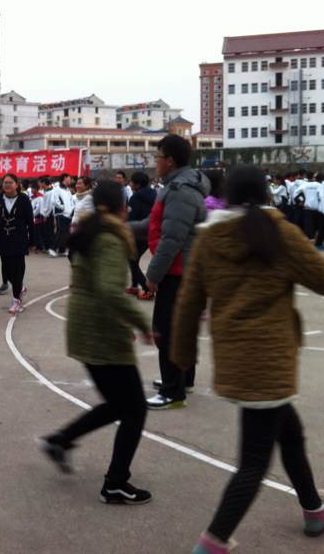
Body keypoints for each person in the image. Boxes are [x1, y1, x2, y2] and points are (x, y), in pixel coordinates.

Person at [171, 166, 324, 554]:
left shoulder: (209, 238)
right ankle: (212, 543)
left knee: (290, 434)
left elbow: (189, 302)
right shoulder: (278, 232)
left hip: (235, 360)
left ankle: (315, 510)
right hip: (269, 363)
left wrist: (181, 357)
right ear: (266, 193)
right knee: (253, 463)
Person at [38, 181, 153, 505]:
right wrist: (141, 322)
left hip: (87, 328)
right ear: (121, 207)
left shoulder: (89, 232)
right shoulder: (111, 238)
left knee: (117, 404)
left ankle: (61, 440)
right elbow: (109, 291)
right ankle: (115, 482)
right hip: (101, 333)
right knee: (134, 409)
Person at [131, 134, 209, 410]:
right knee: (181, 329)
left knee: (166, 331)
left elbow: (172, 239)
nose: (155, 162)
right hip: (182, 269)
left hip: (178, 272)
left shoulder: (180, 190)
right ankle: (182, 381)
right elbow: (154, 224)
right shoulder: (175, 187)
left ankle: (172, 392)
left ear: (170, 161)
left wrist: (152, 277)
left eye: (158, 157)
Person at [0, 173, 34, 314]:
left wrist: (32, 241)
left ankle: (16, 300)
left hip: (19, 239)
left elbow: (30, 221)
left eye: (10, 182)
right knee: (7, 271)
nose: (7, 185)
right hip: (3, 239)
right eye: (5, 182)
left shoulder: (23, 199)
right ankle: (20, 288)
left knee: (18, 269)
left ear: (16, 184)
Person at [126, 172, 157, 300]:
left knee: (132, 261)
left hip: (137, 232)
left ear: (137, 185)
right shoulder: (155, 194)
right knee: (135, 259)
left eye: (132, 182)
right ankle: (134, 286)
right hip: (150, 232)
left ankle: (147, 289)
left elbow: (131, 217)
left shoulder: (135, 198)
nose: (130, 184)